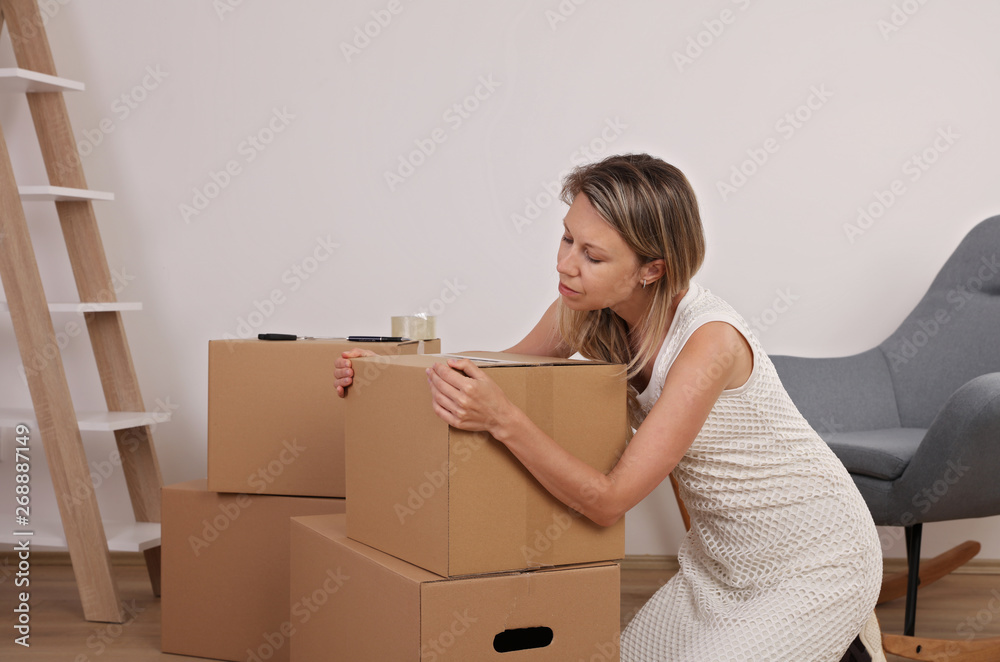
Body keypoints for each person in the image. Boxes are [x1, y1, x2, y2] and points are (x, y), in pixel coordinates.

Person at [335, 153, 885, 661]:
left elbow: (609, 501)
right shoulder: (588, 304)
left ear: (652, 269)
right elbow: (506, 363)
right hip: (722, 563)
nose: (567, 265)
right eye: (567, 239)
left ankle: (838, 638)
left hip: (815, 559)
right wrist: (390, 369)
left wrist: (502, 418)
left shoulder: (708, 344)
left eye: (592, 255)